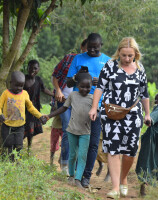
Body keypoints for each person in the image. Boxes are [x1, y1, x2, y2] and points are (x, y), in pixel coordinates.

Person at [89, 37, 151, 198]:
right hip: (112, 113)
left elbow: (144, 93)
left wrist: (148, 113)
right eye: (124, 55)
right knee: (113, 148)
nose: (127, 59)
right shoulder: (110, 66)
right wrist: (94, 107)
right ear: (119, 53)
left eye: (130, 55)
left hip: (133, 114)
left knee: (131, 151)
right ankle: (115, 188)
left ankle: (124, 178)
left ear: (136, 54)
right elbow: (99, 87)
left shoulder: (140, 68)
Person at [66, 33, 110, 187]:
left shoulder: (107, 61)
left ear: (101, 46)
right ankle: (75, 173)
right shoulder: (78, 58)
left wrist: (102, 82)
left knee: (93, 143)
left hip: (98, 106)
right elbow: (69, 82)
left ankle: (86, 176)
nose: (92, 50)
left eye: (95, 48)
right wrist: (78, 76)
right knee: (78, 141)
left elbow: (114, 84)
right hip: (79, 105)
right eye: (90, 47)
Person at [44, 72, 93, 189]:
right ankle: (71, 176)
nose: (85, 89)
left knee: (82, 156)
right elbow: (63, 108)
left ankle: (77, 179)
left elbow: (98, 112)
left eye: (88, 87)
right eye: (82, 86)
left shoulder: (93, 98)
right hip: (72, 131)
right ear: (77, 85)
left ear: (91, 86)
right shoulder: (73, 95)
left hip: (85, 132)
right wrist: (49, 116)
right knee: (72, 155)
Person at [51, 39, 88, 174]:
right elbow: (55, 76)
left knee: (78, 132)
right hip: (64, 100)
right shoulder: (69, 59)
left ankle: (73, 163)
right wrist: (58, 90)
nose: (87, 53)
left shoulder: (92, 63)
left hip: (81, 102)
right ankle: (65, 165)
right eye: (85, 50)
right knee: (67, 128)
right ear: (81, 48)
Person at [0, 71, 46, 162]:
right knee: (8, 143)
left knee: (19, 145)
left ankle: (17, 160)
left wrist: (40, 116)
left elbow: (30, 107)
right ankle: (10, 161)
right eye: (16, 85)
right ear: (11, 83)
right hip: (7, 125)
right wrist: (0, 114)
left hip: (20, 126)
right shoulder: (6, 93)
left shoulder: (24, 94)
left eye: (21, 86)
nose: (19, 88)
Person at [135, 90, 158, 196]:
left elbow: (153, 118)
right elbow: (152, 118)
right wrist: (150, 120)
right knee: (152, 163)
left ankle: (146, 187)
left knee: (149, 163)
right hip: (156, 141)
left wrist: (149, 120)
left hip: (156, 141)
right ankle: (145, 188)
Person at [24, 59, 54, 153]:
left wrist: (54, 95)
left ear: (38, 69)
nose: (33, 70)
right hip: (23, 108)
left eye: (35, 68)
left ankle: (29, 148)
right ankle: (18, 146)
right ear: (27, 68)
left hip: (34, 108)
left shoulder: (38, 80)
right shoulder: (23, 79)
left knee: (31, 130)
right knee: (22, 127)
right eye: (31, 68)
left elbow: (44, 89)